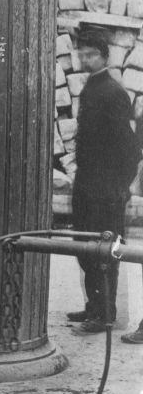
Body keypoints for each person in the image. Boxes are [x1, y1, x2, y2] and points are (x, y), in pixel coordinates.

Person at [67, 30, 140, 333]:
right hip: (87, 184)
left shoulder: (112, 91)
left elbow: (129, 147)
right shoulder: (91, 88)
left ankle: (105, 314)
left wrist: (119, 187)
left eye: (91, 54)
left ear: (104, 56)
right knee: (85, 248)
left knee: (105, 251)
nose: (85, 59)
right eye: (81, 54)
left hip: (105, 189)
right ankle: (94, 307)